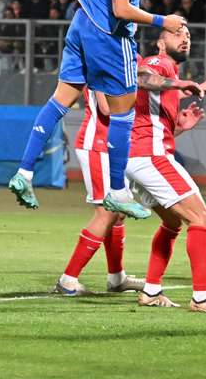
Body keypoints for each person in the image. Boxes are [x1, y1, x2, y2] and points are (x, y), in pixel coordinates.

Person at [6, 0, 186, 219]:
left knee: (61, 100)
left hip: (81, 21)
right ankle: (117, 191)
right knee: (125, 111)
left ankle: (24, 172)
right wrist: (165, 21)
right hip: (108, 35)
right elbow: (120, 8)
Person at [128, 27, 206, 314]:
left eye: (187, 33)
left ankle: (151, 291)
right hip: (149, 156)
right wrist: (182, 84)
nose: (185, 37)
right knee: (202, 217)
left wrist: (180, 126)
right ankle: (202, 298)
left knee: (174, 223)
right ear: (161, 43)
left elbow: (152, 124)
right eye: (177, 33)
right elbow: (140, 77)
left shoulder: (170, 75)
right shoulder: (157, 62)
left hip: (144, 155)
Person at [54, 86, 146, 296]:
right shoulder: (104, 64)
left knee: (119, 213)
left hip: (114, 146)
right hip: (97, 144)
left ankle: (117, 278)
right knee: (108, 212)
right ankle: (67, 280)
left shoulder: (126, 61)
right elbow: (107, 108)